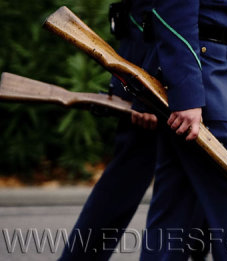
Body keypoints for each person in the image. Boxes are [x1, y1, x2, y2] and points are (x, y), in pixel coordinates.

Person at [137, 0, 227, 259]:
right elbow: (175, 13)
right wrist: (188, 94)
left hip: (211, 78)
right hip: (202, 87)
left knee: (174, 218)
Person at [59, 1, 159, 260]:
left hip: (162, 75)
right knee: (122, 186)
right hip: (152, 78)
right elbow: (161, 16)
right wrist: (145, 92)